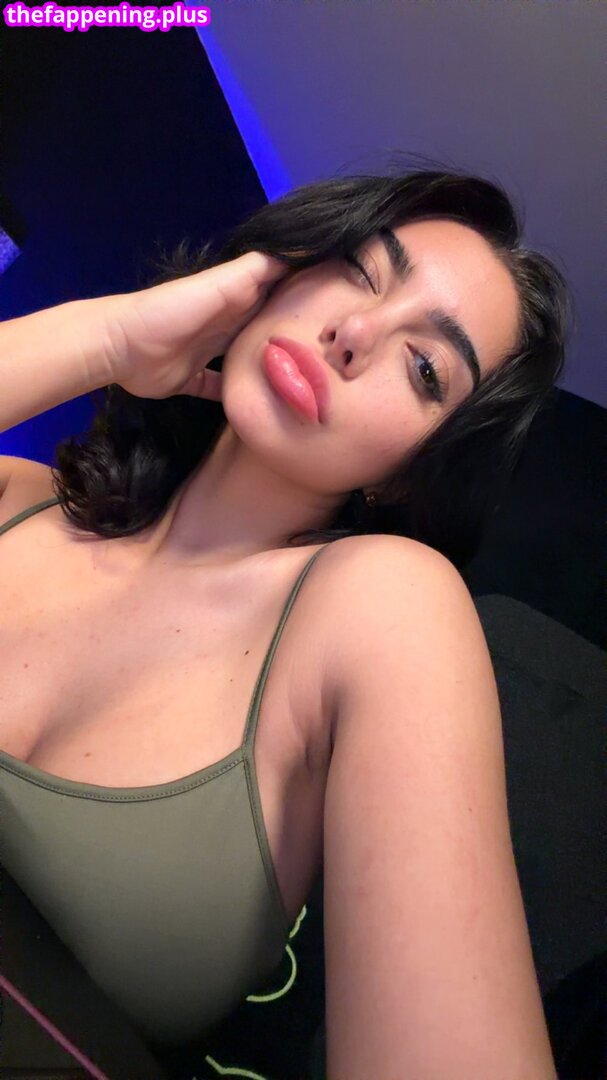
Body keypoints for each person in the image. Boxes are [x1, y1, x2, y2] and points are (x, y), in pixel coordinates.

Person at [0, 163, 570, 1077]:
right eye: (358, 271)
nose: (355, 333)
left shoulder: (382, 606)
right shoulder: (20, 499)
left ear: (410, 474)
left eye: (425, 367)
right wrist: (112, 337)